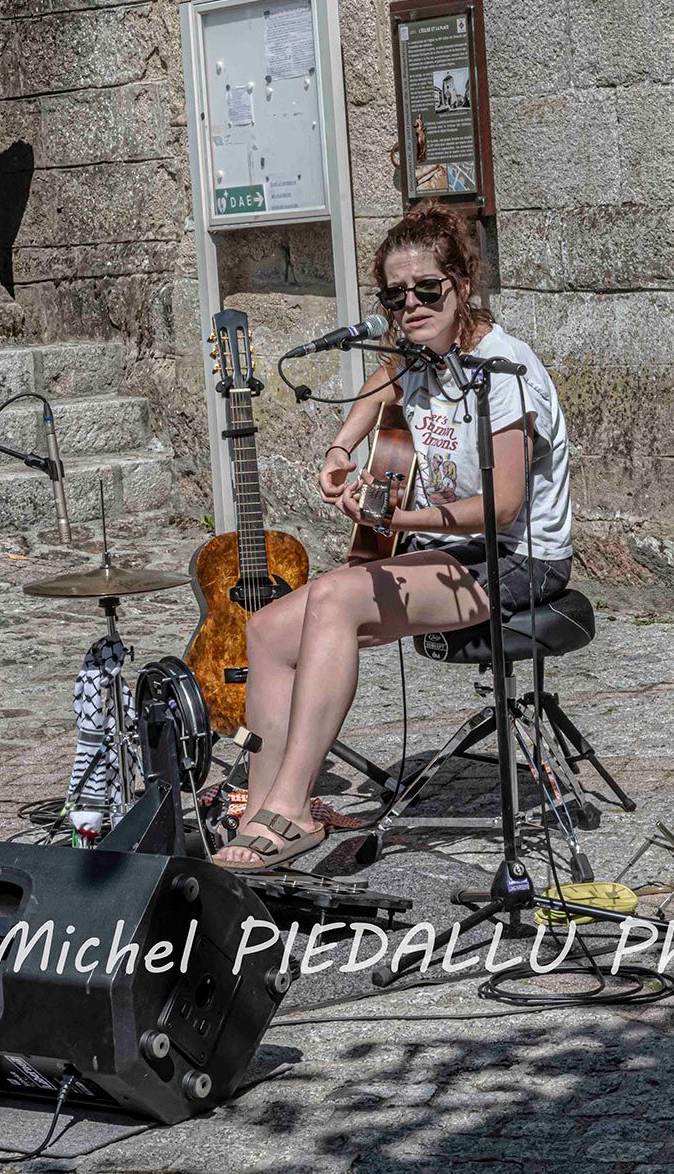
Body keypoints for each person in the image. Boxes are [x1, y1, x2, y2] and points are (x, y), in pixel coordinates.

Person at [211, 202, 573, 871]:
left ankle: (292, 807)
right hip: (456, 549)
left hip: (521, 557)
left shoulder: (500, 369)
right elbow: (383, 380)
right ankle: (263, 814)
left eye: (427, 289)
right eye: (395, 294)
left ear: (464, 282)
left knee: (339, 598)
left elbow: (503, 505)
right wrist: (343, 445)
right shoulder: (423, 356)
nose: (410, 305)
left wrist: (401, 522)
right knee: (266, 631)